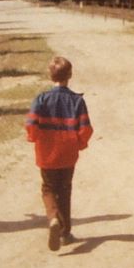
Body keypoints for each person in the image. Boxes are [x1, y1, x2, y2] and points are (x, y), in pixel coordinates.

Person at [25, 56, 93, 251]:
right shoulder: (77, 101)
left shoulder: (41, 99)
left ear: (50, 75)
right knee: (65, 190)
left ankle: (53, 217)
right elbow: (86, 128)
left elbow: (31, 125)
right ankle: (65, 233)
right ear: (69, 75)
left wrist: (35, 138)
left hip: (46, 153)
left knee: (48, 188)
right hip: (68, 153)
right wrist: (79, 144)